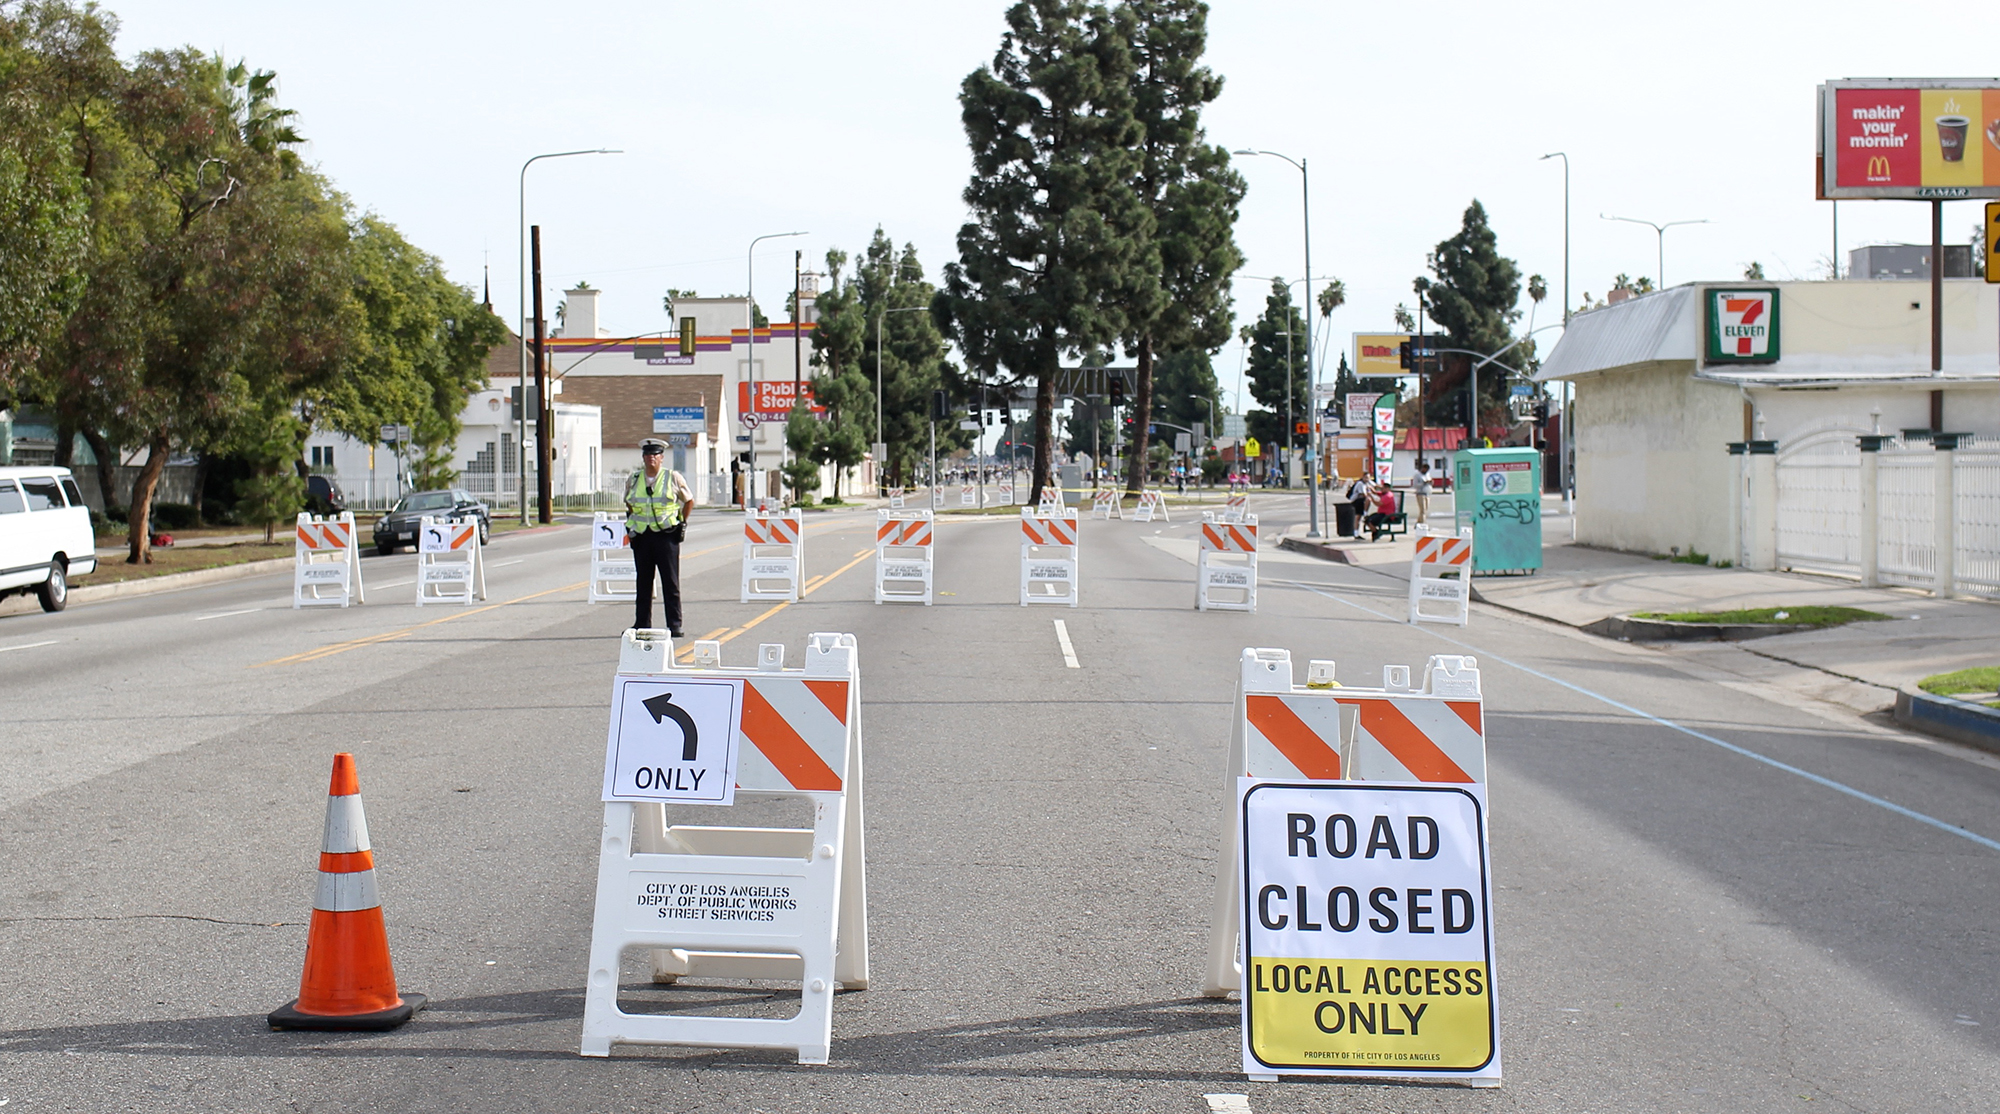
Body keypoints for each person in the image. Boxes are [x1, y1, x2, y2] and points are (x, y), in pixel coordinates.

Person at [626, 438, 694, 636]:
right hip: (642, 536)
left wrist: (681, 522)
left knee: (670, 582)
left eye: (655, 455)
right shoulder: (634, 479)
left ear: (662, 458)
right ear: (643, 458)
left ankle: (674, 625)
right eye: (647, 455)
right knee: (643, 582)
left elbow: (688, 500)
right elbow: (629, 503)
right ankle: (641, 624)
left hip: (666, 536)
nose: (651, 458)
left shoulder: (672, 477)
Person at [1413, 458, 1432, 526]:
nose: (1426, 470)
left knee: (1425, 510)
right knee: (1423, 510)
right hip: (1420, 494)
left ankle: (1418, 523)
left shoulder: (1427, 474)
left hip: (1427, 493)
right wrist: (1423, 483)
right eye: (1425, 469)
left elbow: (1429, 481)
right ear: (1422, 468)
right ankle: (1423, 524)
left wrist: (1430, 483)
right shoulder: (1417, 475)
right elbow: (1415, 485)